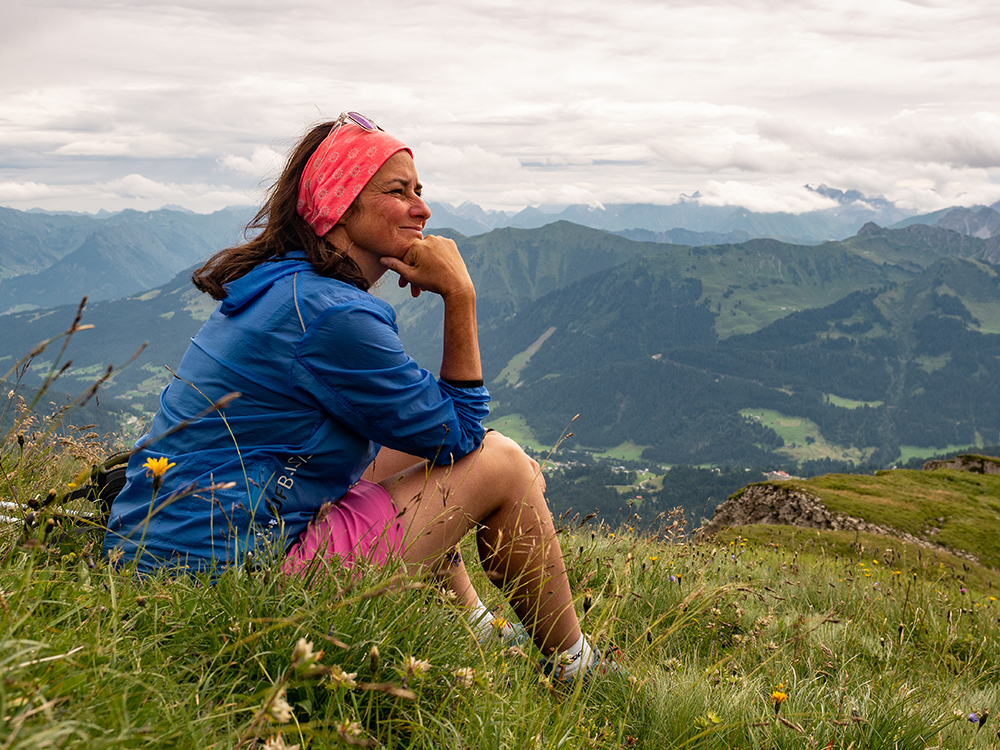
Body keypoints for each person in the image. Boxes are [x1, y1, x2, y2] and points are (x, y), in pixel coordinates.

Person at [102, 111, 608, 680]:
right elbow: (462, 432)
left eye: (420, 190)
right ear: (340, 204)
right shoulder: (332, 313)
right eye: (399, 191)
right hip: (240, 584)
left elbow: (426, 435)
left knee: (422, 450)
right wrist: (460, 296)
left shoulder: (285, 283)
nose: (423, 208)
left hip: (167, 558)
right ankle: (574, 668)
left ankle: (479, 627)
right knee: (503, 464)